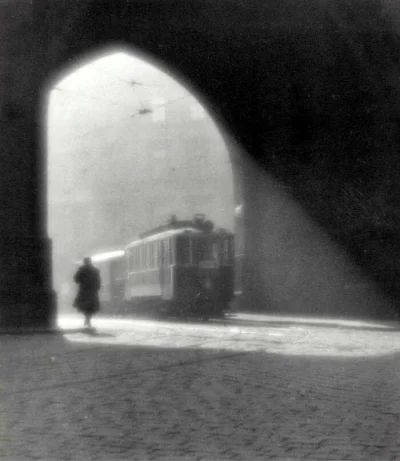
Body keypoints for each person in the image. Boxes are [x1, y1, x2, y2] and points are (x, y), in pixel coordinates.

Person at [73, 257, 101, 328]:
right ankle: (88, 319)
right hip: (92, 291)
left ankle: (86, 318)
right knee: (91, 306)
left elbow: (76, 279)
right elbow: (98, 281)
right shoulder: (95, 270)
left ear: (84, 262)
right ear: (90, 261)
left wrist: (80, 281)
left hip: (84, 290)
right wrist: (97, 288)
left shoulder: (82, 269)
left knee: (84, 305)